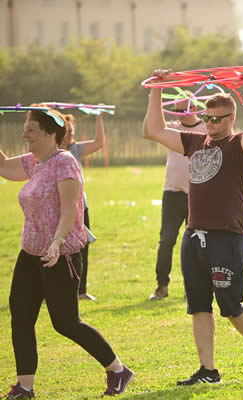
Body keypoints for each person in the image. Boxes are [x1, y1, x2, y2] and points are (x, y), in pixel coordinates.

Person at [142, 67, 243, 384]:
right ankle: (208, 370)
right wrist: (156, 88)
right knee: (199, 306)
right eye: (207, 118)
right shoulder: (194, 142)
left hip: (227, 235)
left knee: (231, 306)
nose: (210, 123)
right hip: (195, 234)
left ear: (231, 118)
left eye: (217, 118)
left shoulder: (238, 145)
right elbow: (154, 130)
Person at [0, 106, 133, 398]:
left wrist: (57, 243)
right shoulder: (33, 161)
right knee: (21, 317)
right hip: (31, 253)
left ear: (50, 133)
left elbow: (71, 207)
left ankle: (118, 370)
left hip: (61, 253)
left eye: (31, 129)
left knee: (65, 323)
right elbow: (2, 166)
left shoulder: (65, 163)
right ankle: (25, 387)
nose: (25, 134)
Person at [149, 93, 206, 301]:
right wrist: (153, 93)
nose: (179, 115)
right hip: (172, 193)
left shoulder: (206, 128)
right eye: (176, 111)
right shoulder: (172, 128)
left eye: (183, 110)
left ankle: (193, 287)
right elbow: (149, 129)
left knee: (196, 243)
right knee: (166, 241)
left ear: (193, 108)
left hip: (198, 195)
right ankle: (161, 286)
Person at [59, 113, 106, 301]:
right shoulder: (48, 152)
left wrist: (99, 118)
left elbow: (98, 143)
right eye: (68, 131)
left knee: (82, 248)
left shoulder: (75, 150)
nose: (71, 134)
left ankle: (81, 291)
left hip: (80, 208)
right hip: (60, 209)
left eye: (72, 131)